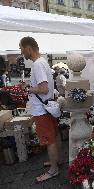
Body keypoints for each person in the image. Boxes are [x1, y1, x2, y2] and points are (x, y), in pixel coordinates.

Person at [19, 37, 61, 182]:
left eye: (21, 48)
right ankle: (55, 161)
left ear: (28, 48)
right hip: (47, 106)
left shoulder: (37, 65)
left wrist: (28, 89)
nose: (21, 51)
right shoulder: (43, 61)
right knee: (54, 136)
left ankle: (53, 170)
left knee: (49, 140)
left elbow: (43, 88)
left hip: (42, 109)